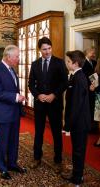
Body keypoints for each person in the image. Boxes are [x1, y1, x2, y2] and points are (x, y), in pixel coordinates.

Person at [28, 37, 68, 173]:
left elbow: (64, 83)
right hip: (40, 103)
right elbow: (30, 84)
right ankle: (36, 158)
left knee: (57, 133)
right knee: (38, 132)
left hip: (55, 104)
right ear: (40, 50)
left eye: (49, 48)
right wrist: (38, 95)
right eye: (44, 49)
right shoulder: (35, 64)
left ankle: (58, 161)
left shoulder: (59, 63)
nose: (47, 52)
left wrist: (54, 95)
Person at [0, 45, 27, 180]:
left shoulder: (12, 70)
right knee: (3, 142)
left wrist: (18, 97)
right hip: (3, 114)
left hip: (14, 113)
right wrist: (16, 97)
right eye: (16, 56)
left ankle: (12, 163)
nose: (18, 58)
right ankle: (2, 168)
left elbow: (12, 88)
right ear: (8, 57)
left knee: (14, 141)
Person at [62, 50, 91, 186]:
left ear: (75, 63)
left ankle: (77, 178)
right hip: (77, 120)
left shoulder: (79, 78)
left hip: (79, 121)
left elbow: (76, 105)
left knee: (78, 151)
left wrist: (68, 125)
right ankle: (76, 174)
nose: (66, 63)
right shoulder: (75, 75)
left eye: (68, 61)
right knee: (76, 150)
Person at [82, 47, 97, 132]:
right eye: (92, 53)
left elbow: (96, 74)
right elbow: (84, 76)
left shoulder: (95, 62)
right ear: (87, 53)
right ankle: (87, 127)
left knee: (92, 108)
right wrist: (90, 85)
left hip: (94, 89)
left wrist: (95, 84)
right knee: (86, 108)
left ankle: (92, 127)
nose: (94, 55)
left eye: (94, 53)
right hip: (86, 89)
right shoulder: (83, 63)